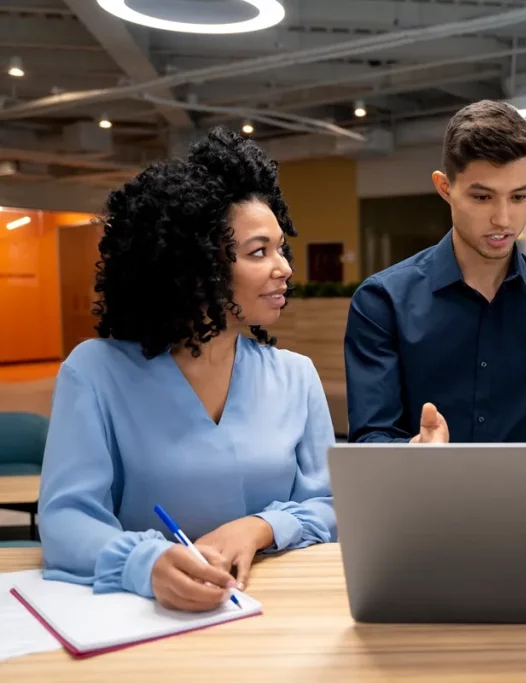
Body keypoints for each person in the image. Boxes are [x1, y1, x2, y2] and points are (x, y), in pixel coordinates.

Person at [38, 129, 336, 612]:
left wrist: (259, 528)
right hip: (147, 614)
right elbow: (67, 521)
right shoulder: (95, 372)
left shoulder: (296, 376)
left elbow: (331, 504)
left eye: (281, 248)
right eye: (258, 252)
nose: (284, 267)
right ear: (194, 267)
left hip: (282, 609)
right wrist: (148, 563)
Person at [345, 100, 526, 444]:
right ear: (444, 188)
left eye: (518, 196)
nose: (503, 219)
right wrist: (413, 452)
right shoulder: (382, 303)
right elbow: (370, 437)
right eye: (482, 197)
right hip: (418, 496)